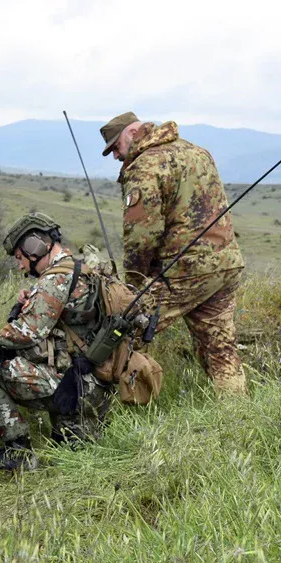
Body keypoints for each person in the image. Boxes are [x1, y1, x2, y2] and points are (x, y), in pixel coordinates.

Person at [101, 111, 246, 394]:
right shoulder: (197, 152)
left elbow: (143, 235)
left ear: (132, 133)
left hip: (182, 273)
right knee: (220, 348)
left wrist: (131, 284)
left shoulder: (145, 166)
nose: (116, 157)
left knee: (121, 331)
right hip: (225, 265)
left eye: (115, 148)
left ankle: (103, 411)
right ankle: (237, 418)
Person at [0, 213, 112, 470]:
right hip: (91, 382)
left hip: (75, 386)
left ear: (34, 247)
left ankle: (18, 453)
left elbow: (28, 331)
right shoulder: (76, 267)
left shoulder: (54, 279)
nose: (19, 266)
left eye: (19, 257)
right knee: (71, 455)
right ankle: (72, 424)